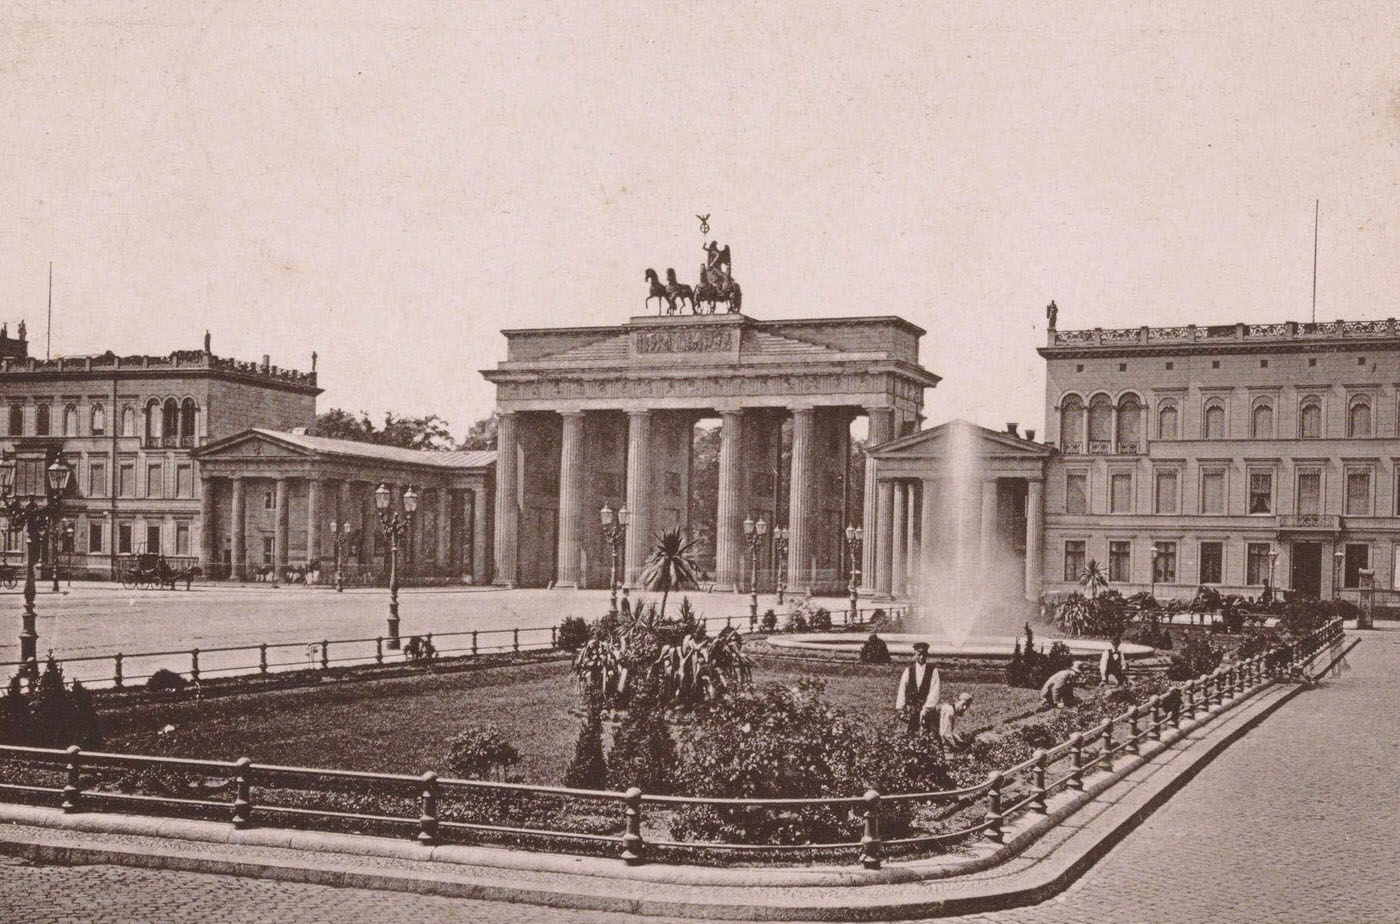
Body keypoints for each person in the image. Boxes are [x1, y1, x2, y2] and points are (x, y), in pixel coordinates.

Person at [895, 641, 941, 735]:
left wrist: (927, 708)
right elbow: (902, 689)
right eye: (919, 654)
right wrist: (900, 707)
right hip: (911, 708)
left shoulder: (933, 671)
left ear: (927, 654)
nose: (921, 657)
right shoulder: (908, 670)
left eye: (924, 654)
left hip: (925, 708)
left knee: (926, 733)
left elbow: (934, 691)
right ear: (915, 654)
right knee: (909, 732)